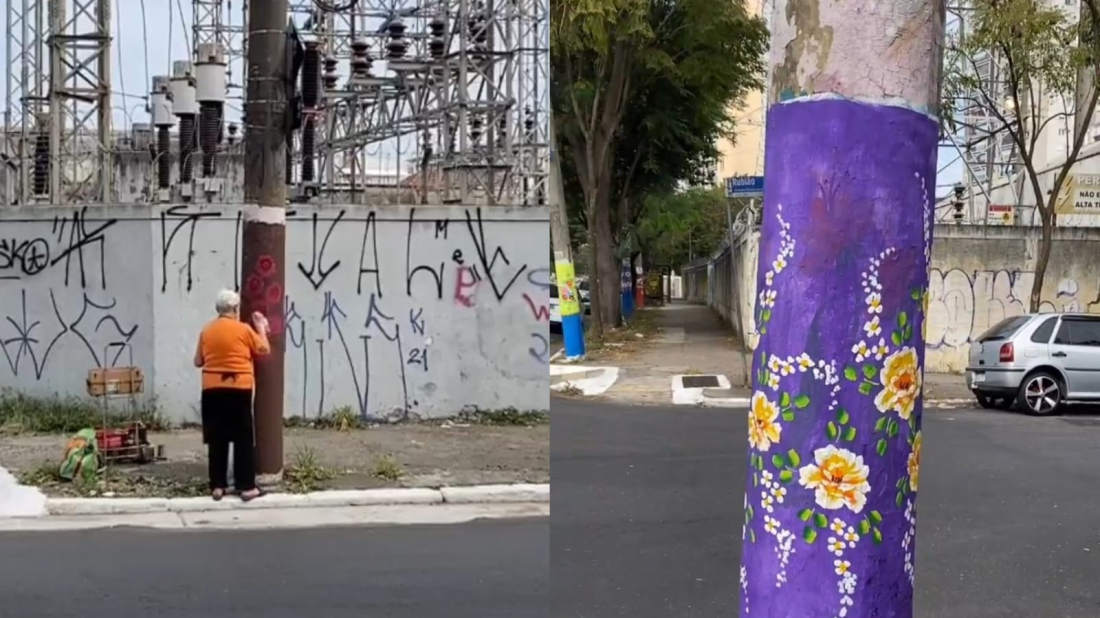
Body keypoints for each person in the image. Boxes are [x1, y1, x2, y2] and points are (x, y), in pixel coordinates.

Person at [193, 289, 270, 501]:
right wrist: (261, 328)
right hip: (239, 388)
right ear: (235, 309)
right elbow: (263, 349)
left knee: (217, 438)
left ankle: (218, 486)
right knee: (243, 438)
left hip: (212, 389)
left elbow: (198, 361)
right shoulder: (243, 330)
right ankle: (246, 487)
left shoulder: (206, 331)